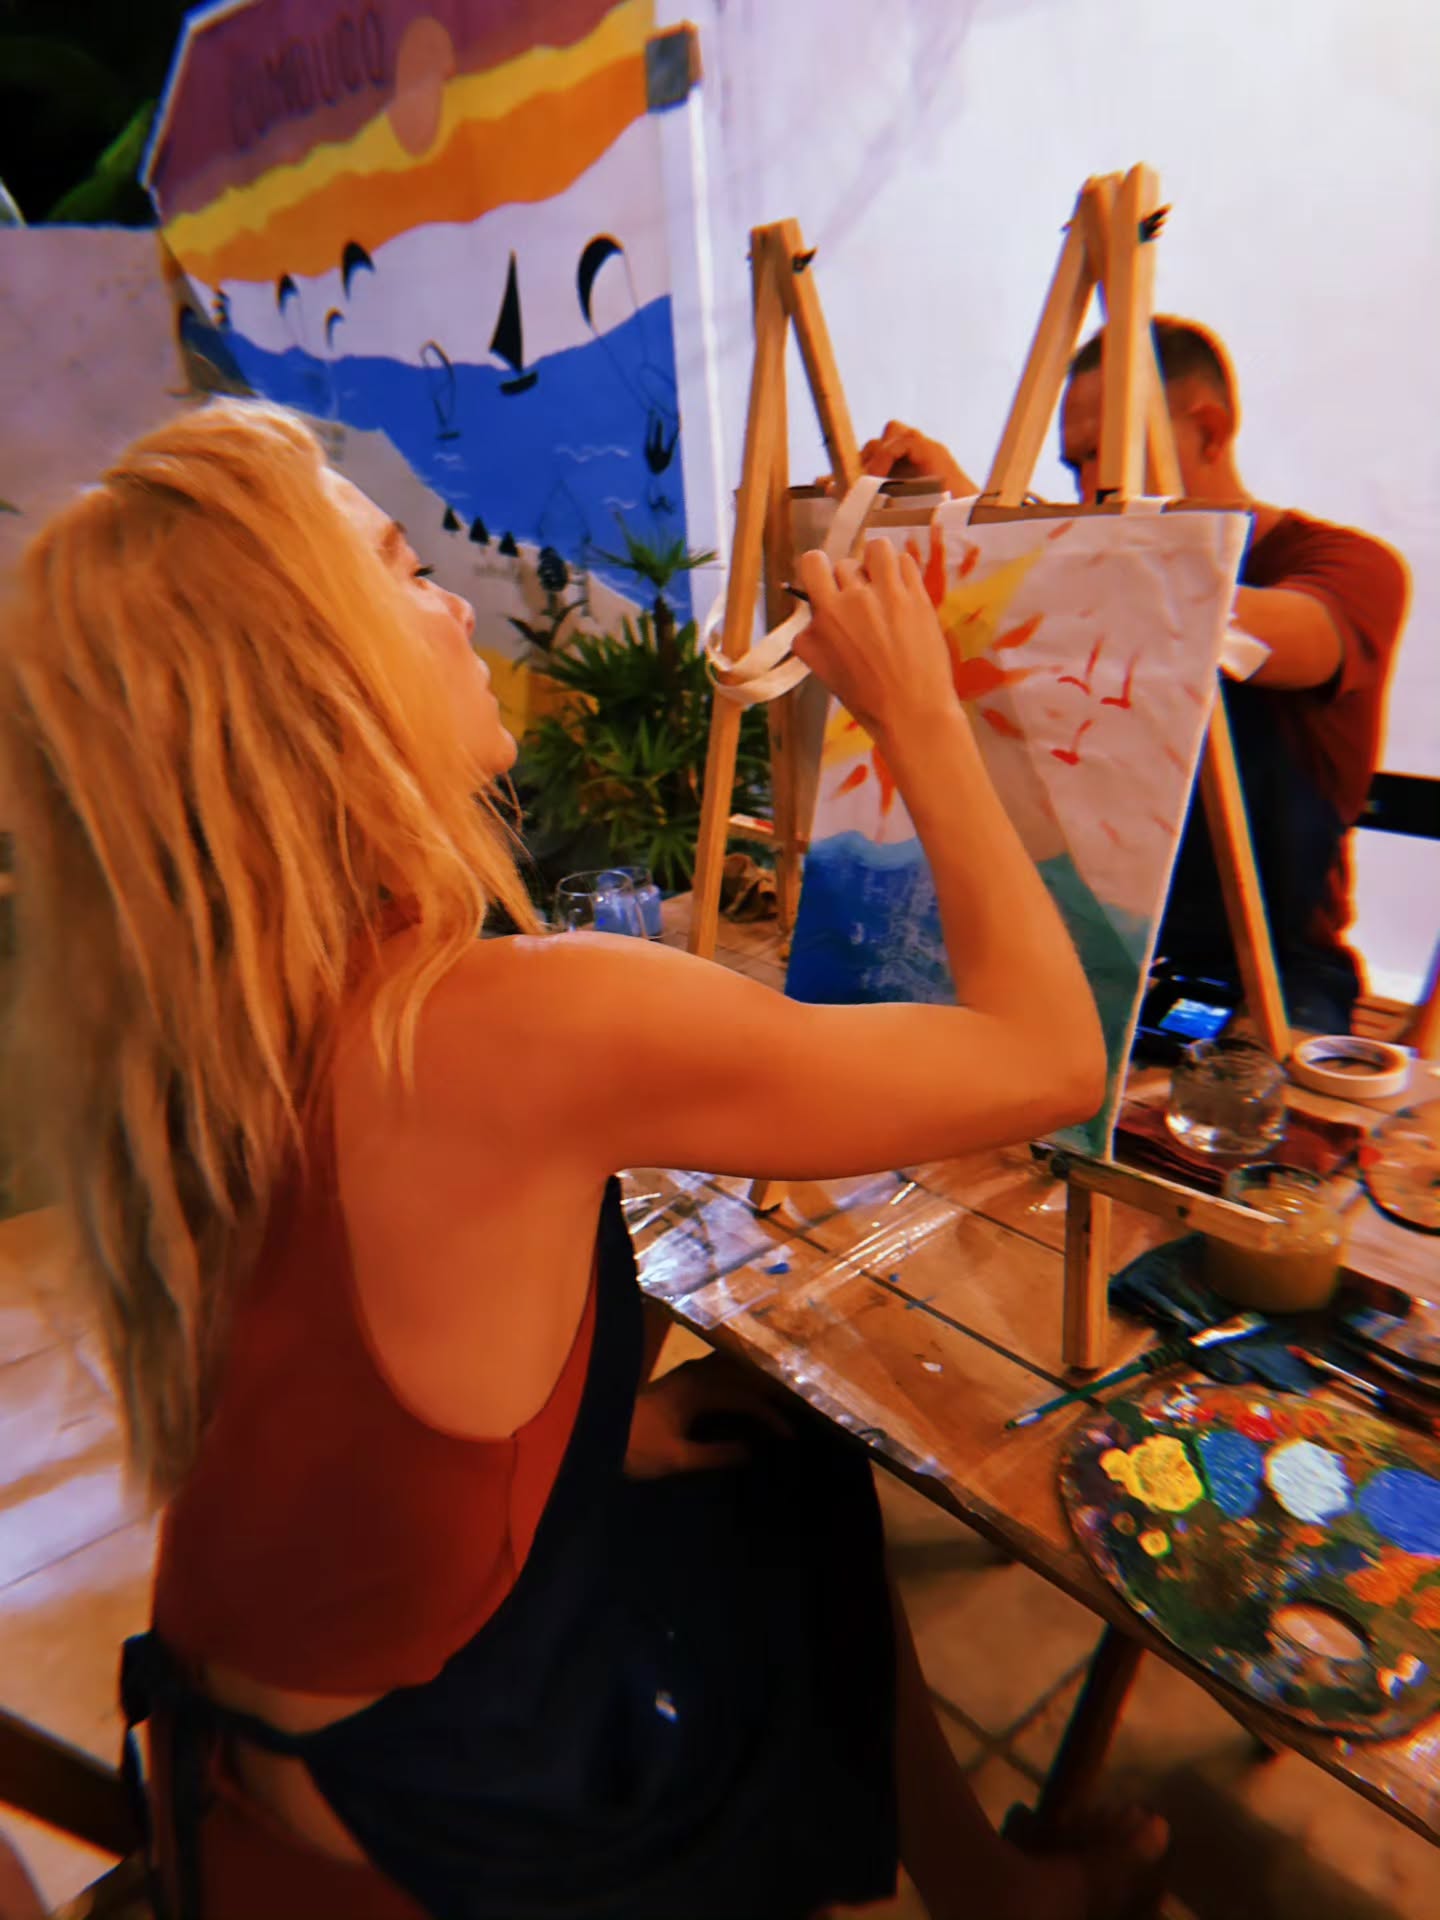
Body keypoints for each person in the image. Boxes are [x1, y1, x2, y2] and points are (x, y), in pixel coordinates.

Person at [0, 400, 1166, 1920]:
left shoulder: (209, 1016)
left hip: (272, 1712)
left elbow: (346, 1366)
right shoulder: (500, 1023)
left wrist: (590, 1437)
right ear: (308, 682)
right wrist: (922, 712)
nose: (450, 609)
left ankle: (983, 1886)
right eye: (404, 571)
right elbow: (1051, 1060)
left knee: (777, 1460)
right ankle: (990, 1900)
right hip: (437, 1795)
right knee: (789, 1519)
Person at [863, 317, 1410, 1033]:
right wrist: (960, 511)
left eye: (1106, 455)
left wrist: (1019, 550)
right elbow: (1082, 587)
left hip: (1274, 975)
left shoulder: (1349, 568)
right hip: (1108, 943)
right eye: (1079, 464)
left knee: (1243, 1098)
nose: (1095, 488)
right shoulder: (1095, 574)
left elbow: (1255, 633)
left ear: (1209, 431)